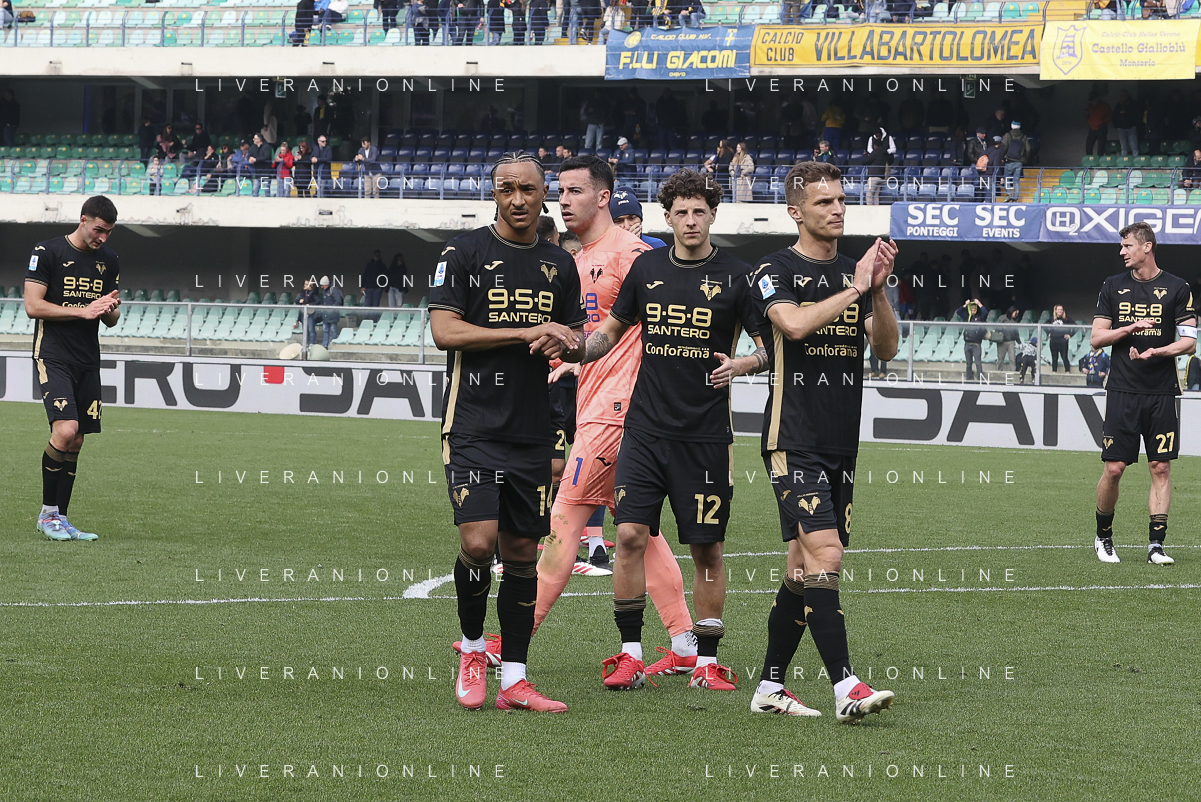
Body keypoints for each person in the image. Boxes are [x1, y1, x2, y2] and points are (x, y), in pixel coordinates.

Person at [561, 169, 765, 694]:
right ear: (667, 218)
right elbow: (610, 331)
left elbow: (769, 345)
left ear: (713, 215)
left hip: (704, 436)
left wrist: (742, 364)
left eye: (699, 211)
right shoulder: (647, 267)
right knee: (630, 535)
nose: (690, 220)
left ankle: (706, 662)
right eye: (681, 212)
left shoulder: (737, 275)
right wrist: (576, 351)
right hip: (645, 430)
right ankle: (630, 654)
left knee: (707, 550)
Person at [517, 157, 701, 676]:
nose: (563, 200)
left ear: (603, 197)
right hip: (598, 404)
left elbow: (672, 319)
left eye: (574, 190)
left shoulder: (633, 254)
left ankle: (513, 637)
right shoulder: (578, 259)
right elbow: (602, 333)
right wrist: (569, 360)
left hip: (618, 412)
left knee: (564, 519)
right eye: (560, 191)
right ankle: (685, 642)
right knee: (640, 530)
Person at [430, 152, 586, 713]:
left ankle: (515, 680)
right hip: (473, 424)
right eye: (505, 189)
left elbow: (576, 337)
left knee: (521, 554)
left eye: (527, 189)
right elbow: (445, 331)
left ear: (545, 194)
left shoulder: (560, 264)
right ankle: (474, 650)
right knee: (478, 542)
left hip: (532, 429)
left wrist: (567, 341)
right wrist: (525, 332)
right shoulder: (463, 253)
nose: (517, 199)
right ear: (493, 193)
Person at [746, 160, 898, 721]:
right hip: (792, 436)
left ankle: (769, 687)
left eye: (840, 201)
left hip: (841, 442)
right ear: (796, 211)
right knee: (827, 553)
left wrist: (875, 294)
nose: (836, 210)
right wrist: (855, 287)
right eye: (823, 202)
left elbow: (885, 348)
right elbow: (791, 325)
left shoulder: (856, 275)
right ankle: (845, 686)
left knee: (801, 567)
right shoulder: (774, 268)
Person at [1091, 221, 1195, 566]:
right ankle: (1103, 536)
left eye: (1127, 246)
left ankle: (1156, 545)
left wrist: (1157, 352)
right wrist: (1131, 327)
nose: (1122, 252)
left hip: (1162, 391)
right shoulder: (1112, 285)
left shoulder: (1178, 288)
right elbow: (1096, 338)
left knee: (1160, 466)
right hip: (1122, 389)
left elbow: (1189, 342)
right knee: (1115, 468)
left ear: (1147, 247)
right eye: (1121, 246)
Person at [24, 196, 122, 542]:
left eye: (108, 232)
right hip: (53, 354)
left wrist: (110, 307)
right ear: (83, 220)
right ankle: (47, 515)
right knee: (66, 430)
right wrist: (82, 311)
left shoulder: (108, 259)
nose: (103, 238)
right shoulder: (47, 252)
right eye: (99, 230)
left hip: (87, 358)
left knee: (77, 440)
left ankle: (61, 518)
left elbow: (111, 319)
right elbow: (32, 306)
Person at [955, 298, 988, 381]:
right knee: (968, 363)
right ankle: (969, 377)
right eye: (972, 309)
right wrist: (965, 305)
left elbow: (985, 312)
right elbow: (959, 312)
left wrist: (979, 303)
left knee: (978, 363)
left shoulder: (980, 318)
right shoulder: (968, 318)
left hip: (976, 344)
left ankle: (980, 377)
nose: (973, 311)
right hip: (967, 343)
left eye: (974, 309)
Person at [863, 125, 895, 206]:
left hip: (874, 176)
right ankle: (876, 208)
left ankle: (870, 209)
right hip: (880, 176)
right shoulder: (872, 139)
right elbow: (869, 149)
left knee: (869, 194)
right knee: (876, 194)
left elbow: (866, 161)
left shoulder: (888, 138)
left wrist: (866, 156)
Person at [999, 122, 1030, 200]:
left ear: (1012, 126)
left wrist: (1002, 157)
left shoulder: (1008, 135)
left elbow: (1004, 146)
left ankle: (1009, 194)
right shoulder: (1024, 136)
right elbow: (1028, 149)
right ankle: (1016, 197)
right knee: (1016, 180)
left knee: (1007, 178)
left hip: (1009, 160)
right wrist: (1025, 158)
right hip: (1019, 161)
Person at [314, 276, 343, 347]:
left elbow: (338, 301)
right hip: (326, 315)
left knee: (333, 330)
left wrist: (331, 309)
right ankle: (325, 345)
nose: (322, 287)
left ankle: (334, 345)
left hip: (333, 315)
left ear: (327, 284)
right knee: (325, 330)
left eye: (323, 285)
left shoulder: (334, 289)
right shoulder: (325, 291)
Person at [1113, 89, 1140, 158]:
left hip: (1131, 127)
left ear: (1128, 95)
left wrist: (1135, 125)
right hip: (1121, 128)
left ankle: (1136, 161)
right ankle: (1124, 162)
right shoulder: (1118, 106)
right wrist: (1117, 126)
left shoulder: (1134, 104)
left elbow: (1138, 115)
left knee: (1134, 146)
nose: (1123, 97)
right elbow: (1114, 116)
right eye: (1122, 96)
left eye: (1124, 95)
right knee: (1123, 148)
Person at [1048, 304, 1074, 373]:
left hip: (1063, 340)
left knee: (1064, 357)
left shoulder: (1067, 319)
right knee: (1054, 357)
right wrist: (1048, 333)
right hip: (1053, 340)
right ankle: (1054, 371)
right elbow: (1044, 326)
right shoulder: (1052, 319)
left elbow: (1076, 326)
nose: (1060, 311)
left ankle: (1067, 371)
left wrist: (1070, 335)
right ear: (1055, 311)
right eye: (1058, 310)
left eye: (1061, 310)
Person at [1085, 92, 1112, 158]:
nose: (1092, 102)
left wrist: (1103, 122)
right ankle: (1089, 161)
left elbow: (1110, 115)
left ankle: (1100, 160)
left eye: (1093, 100)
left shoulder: (1104, 106)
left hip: (1101, 128)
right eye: (1091, 100)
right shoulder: (1089, 106)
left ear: (1097, 99)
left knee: (1101, 147)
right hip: (1092, 128)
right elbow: (1086, 116)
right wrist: (1091, 123)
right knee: (1088, 146)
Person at [995, 306, 1021, 371]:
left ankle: (1013, 372)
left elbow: (1016, 333)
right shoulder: (1002, 318)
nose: (1016, 315)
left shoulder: (1014, 321)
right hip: (1002, 341)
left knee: (1012, 358)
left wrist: (1019, 343)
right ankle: (999, 371)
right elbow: (997, 327)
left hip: (1011, 341)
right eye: (1015, 313)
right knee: (1000, 358)